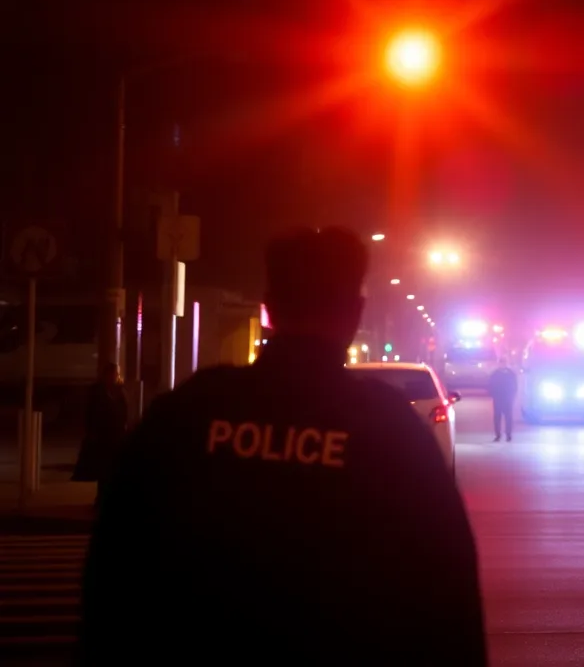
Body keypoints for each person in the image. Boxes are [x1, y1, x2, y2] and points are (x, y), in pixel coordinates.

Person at [78, 227, 487, 665]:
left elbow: (111, 569)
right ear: (354, 312)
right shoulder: (392, 433)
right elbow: (450, 597)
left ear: (270, 306)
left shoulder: (187, 414)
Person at [71, 362, 128, 508]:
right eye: (113, 373)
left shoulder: (118, 391)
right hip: (103, 437)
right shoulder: (97, 391)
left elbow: (123, 411)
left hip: (115, 436)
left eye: (116, 373)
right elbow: (91, 413)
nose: (115, 376)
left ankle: (109, 498)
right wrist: (91, 432)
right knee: (103, 470)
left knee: (112, 469)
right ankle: (102, 498)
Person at [488, 358, 517, 442]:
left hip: (508, 399)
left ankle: (508, 435)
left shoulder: (511, 374)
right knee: (497, 417)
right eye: (501, 363)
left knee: (508, 417)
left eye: (504, 363)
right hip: (498, 399)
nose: (503, 365)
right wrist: (493, 395)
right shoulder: (495, 374)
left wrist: (512, 395)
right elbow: (490, 385)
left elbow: (514, 385)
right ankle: (498, 435)